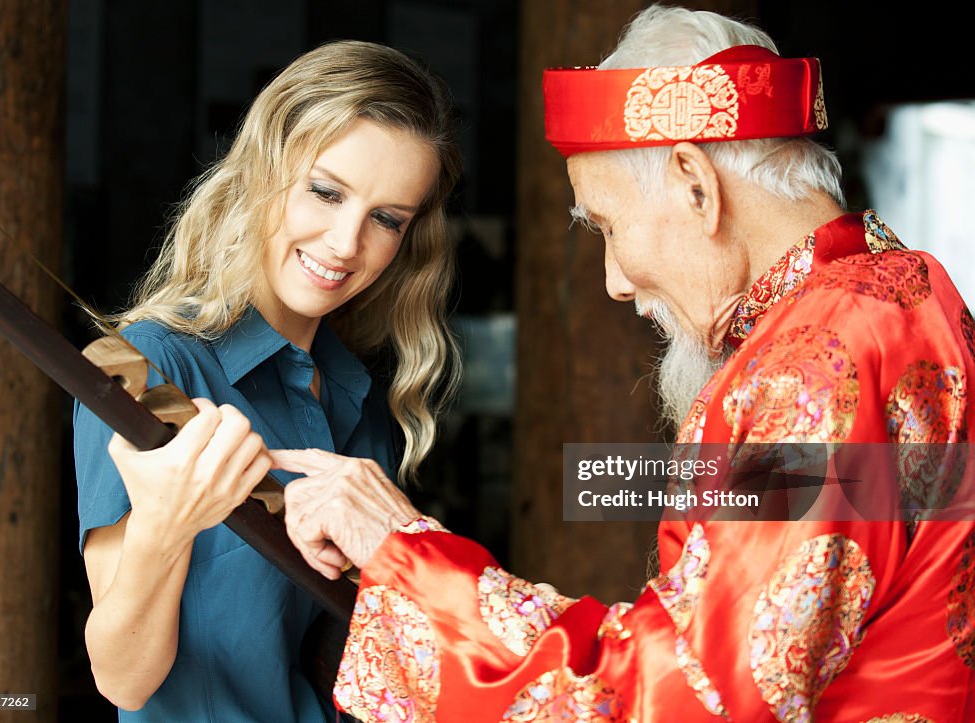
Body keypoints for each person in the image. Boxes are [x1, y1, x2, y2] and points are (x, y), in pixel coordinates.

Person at [277, 7, 975, 722]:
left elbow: (677, 701)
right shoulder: (906, 290)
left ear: (694, 183)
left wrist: (407, 557)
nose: (613, 280)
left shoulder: (819, 362)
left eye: (609, 227)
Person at [72, 40, 462, 721]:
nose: (346, 242)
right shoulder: (147, 367)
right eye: (325, 191)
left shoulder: (359, 402)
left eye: (386, 218)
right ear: (263, 169)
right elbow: (122, 679)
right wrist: (166, 524)